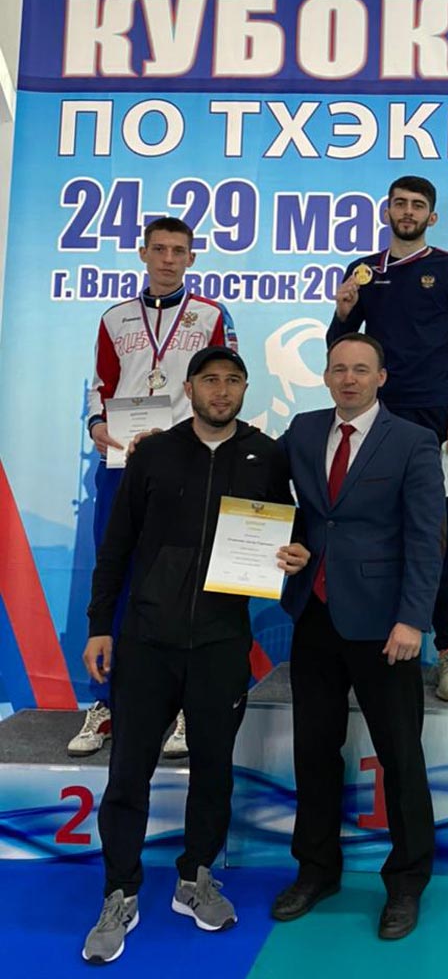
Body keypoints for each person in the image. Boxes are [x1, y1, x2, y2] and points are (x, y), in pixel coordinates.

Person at [80, 347, 309, 965]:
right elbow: (116, 547)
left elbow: (292, 529)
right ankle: (120, 891)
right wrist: (100, 626)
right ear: (190, 388)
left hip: (220, 644)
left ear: (245, 389)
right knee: (128, 772)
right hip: (146, 642)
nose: (222, 390)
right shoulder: (153, 453)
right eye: (210, 380)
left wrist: (295, 553)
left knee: (214, 769)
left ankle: (195, 877)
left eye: (233, 380)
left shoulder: (267, 454)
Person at [271, 333, 445, 941]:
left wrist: (412, 620)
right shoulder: (302, 430)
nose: (349, 379)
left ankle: (407, 882)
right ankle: (316, 871)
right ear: (325, 376)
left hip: (385, 626)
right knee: (313, 752)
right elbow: (259, 481)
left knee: (400, 757)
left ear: (381, 377)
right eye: (339, 369)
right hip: (314, 616)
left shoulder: (413, 441)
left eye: (361, 369)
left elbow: (427, 537)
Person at [70, 216, 238, 759]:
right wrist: (97, 424)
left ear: (192, 258)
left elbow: (225, 386)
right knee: (115, 572)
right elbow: (101, 385)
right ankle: (106, 702)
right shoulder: (115, 317)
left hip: (186, 461)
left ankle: (186, 705)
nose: (168, 259)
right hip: (122, 463)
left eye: (178, 251)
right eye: (159, 249)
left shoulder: (211, 315)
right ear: (143, 253)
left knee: (188, 575)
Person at [326, 175, 448, 702]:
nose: (408, 212)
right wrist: (342, 312)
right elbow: (341, 349)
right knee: (373, 529)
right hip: (377, 415)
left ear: (431, 217)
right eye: (400, 204)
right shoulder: (363, 271)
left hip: (435, 418)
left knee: (437, 533)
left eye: (417, 205)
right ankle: (375, 647)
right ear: (386, 211)